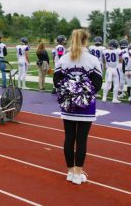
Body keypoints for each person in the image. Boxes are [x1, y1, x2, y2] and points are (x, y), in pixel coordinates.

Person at [53, 29, 103, 185]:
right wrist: (82, 93)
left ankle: (70, 172)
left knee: (69, 138)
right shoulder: (93, 60)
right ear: (85, 40)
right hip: (85, 106)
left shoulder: (64, 59)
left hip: (68, 106)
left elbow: (56, 81)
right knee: (81, 140)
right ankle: (78, 173)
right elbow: (97, 84)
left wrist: (70, 92)